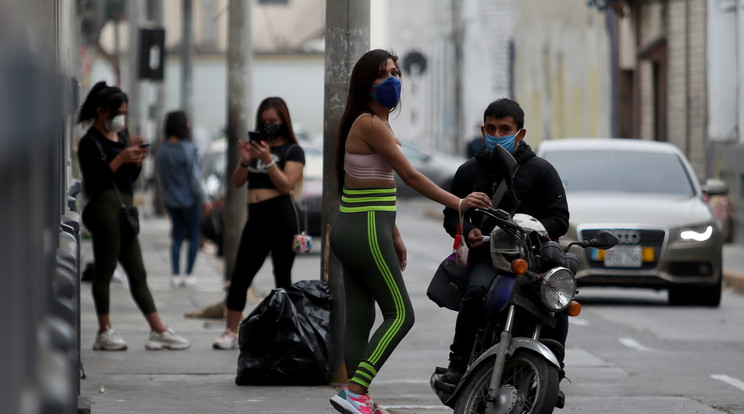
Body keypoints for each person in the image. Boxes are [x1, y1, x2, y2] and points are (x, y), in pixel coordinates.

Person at [327, 49, 491, 414]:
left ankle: (356, 398)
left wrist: (396, 234)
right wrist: (460, 203)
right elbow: (411, 176)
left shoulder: (370, 124)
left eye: (396, 72)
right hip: (365, 229)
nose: (393, 80)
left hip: (355, 227)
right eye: (383, 74)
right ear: (365, 84)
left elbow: (372, 187)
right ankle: (355, 391)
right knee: (401, 314)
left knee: (361, 318)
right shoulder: (369, 123)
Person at [437, 98, 570, 388]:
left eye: (505, 129)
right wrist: (468, 229)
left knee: (558, 303)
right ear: (483, 130)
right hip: (489, 254)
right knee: (475, 293)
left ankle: (554, 374)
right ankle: (457, 364)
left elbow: (560, 218)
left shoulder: (542, 171)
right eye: (492, 129)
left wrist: (533, 230)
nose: (497, 135)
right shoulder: (468, 171)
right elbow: (451, 214)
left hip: (534, 257)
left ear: (520, 134)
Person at [77, 81, 191, 351]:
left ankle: (158, 330)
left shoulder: (123, 137)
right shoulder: (90, 142)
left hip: (124, 208)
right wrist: (120, 159)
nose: (121, 118)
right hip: (103, 207)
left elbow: (129, 179)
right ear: (102, 111)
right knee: (105, 269)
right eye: (118, 112)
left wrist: (136, 161)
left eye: (125, 112)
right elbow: (95, 180)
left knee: (137, 271)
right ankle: (104, 331)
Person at [212, 97, 306, 350]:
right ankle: (230, 331)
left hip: (281, 218)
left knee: (282, 275)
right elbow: (237, 182)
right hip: (256, 219)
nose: (268, 125)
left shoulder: (292, 150)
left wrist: (268, 160)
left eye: (273, 121)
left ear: (283, 121)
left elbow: (286, 184)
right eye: (264, 122)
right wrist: (245, 159)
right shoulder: (256, 149)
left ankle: (287, 331)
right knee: (241, 275)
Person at [156, 110, 213, 288]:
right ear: (183, 125)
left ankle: (175, 274)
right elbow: (195, 178)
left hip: (171, 200)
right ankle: (188, 274)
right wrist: (204, 199)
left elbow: (161, 177)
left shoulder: (162, 150)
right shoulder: (188, 148)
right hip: (190, 200)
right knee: (194, 236)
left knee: (177, 237)